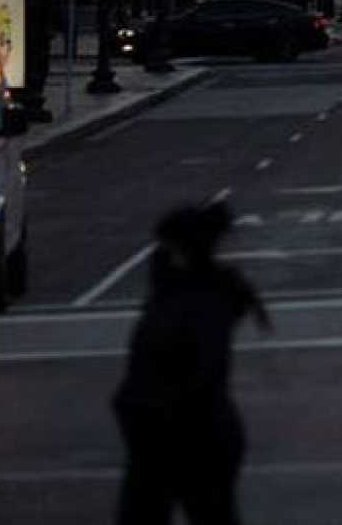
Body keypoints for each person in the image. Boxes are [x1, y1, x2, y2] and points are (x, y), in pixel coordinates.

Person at [113, 202, 272, 525]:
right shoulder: (198, 295)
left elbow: (199, 372)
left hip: (180, 434)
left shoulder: (193, 304)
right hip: (177, 432)